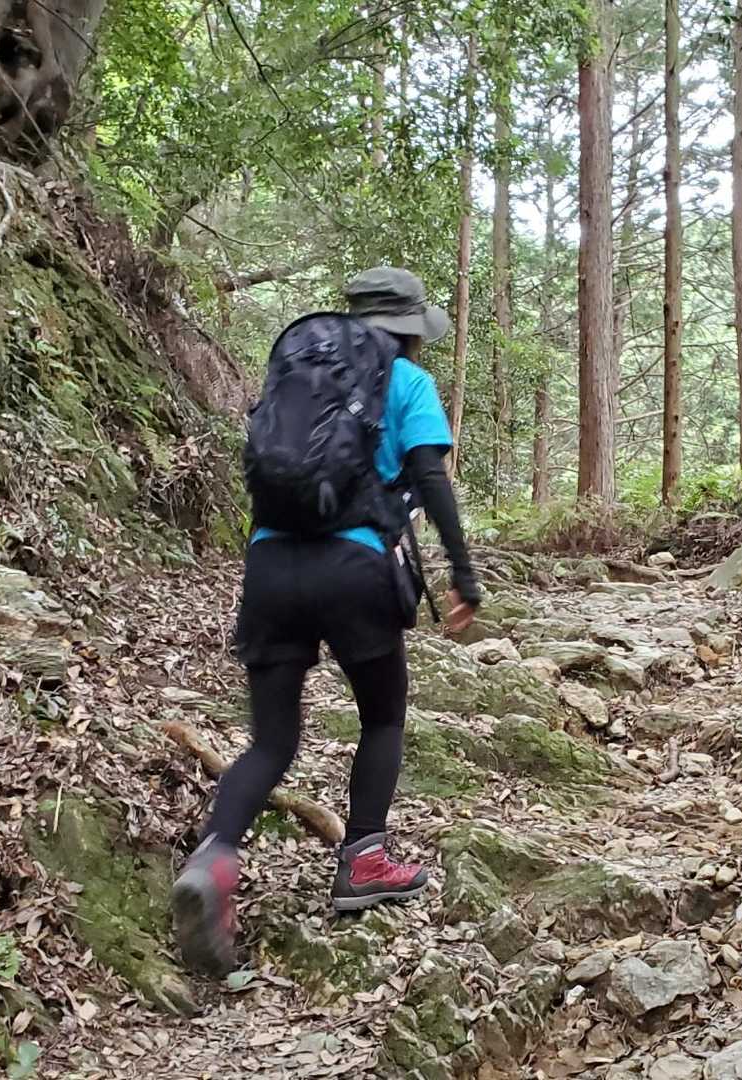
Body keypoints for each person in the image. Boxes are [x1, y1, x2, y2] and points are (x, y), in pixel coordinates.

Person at [171, 266, 482, 978]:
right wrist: (463, 574)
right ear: (410, 331)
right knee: (382, 716)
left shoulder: (296, 375)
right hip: (354, 567)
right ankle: (364, 860)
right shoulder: (407, 381)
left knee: (272, 740)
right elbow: (429, 477)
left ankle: (213, 857)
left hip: (270, 566)